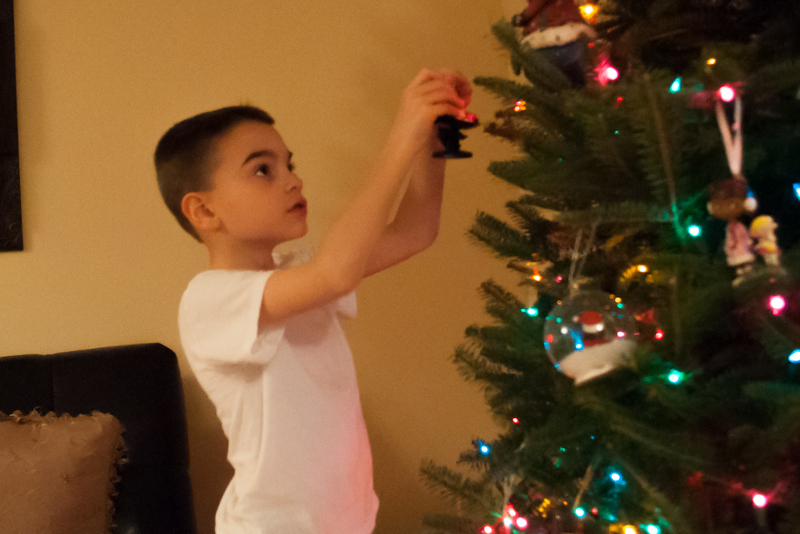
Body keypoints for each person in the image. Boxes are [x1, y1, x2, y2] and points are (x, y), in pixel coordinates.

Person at [154, 69, 472, 534]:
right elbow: (335, 272)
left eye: (290, 165)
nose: (293, 181)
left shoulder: (299, 273)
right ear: (203, 210)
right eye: (263, 170)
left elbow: (415, 231)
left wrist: (433, 139)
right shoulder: (209, 300)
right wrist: (401, 135)